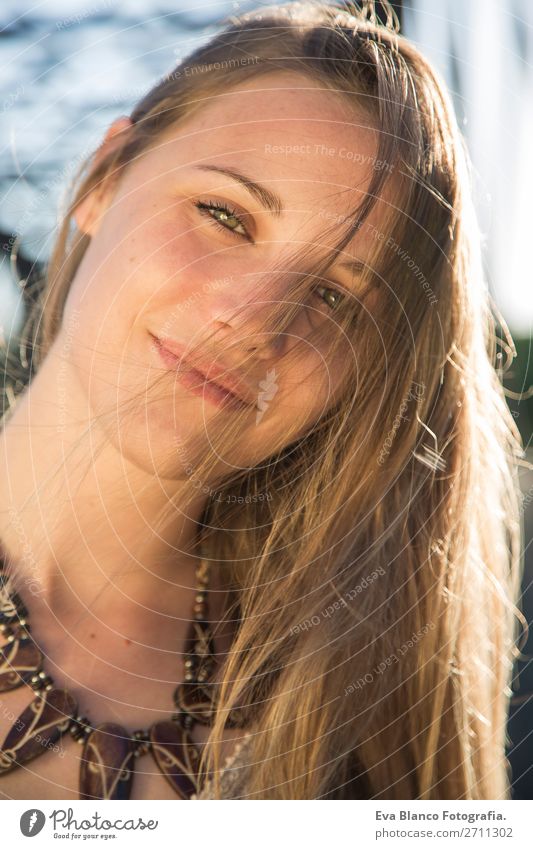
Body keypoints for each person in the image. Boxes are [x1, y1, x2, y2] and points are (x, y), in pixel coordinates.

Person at [0, 0, 525, 800]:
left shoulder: (360, 743)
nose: (253, 322)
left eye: (336, 296)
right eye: (224, 215)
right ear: (105, 179)